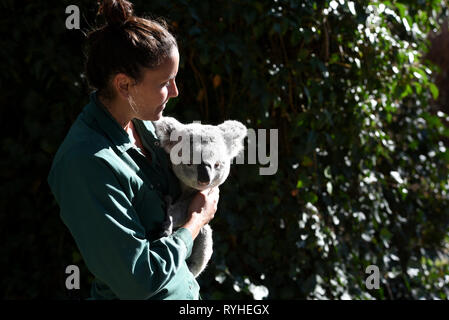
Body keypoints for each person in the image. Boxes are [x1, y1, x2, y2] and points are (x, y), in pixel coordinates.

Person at [47, 0, 219, 300]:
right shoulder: (86, 163)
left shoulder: (148, 126)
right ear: (124, 85)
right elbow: (139, 280)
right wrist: (194, 224)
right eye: (165, 82)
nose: (176, 92)